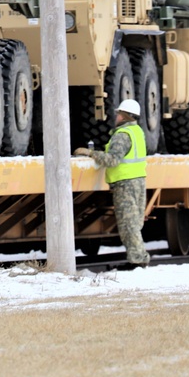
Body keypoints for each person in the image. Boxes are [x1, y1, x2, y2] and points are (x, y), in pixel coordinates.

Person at [76, 98, 150, 268]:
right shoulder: (137, 131)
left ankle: (138, 260)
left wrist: (90, 153)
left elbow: (112, 160)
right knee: (135, 223)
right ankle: (139, 258)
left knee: (128, 225)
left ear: (123, 116)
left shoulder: (122, 135)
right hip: (138, 181)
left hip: (125, 184)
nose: (116, 117)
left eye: (118, 114)